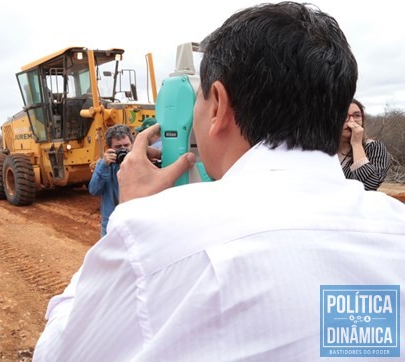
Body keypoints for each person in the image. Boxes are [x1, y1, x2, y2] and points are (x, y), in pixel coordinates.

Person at [34, 2, 405, 361]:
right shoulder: (394, 227)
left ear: (218, 106)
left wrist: (131, 217)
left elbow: (56, 354)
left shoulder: (154, 236)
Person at [88, 124, 134, 236]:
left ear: (132, 145)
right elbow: (94, 190)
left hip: (134, 224)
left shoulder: (141, 164)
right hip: (111, 225)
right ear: (110, 148)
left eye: (126, 145)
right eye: (118, 147)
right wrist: (104, 165)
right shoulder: (104, 165)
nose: (123, 149)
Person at [338, 98, 391, 190]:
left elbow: (369, 186)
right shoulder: (319, 150)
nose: (352, 121)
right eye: (343, 115)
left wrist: (356, 144)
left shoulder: (374, 147)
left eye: (357, 115)